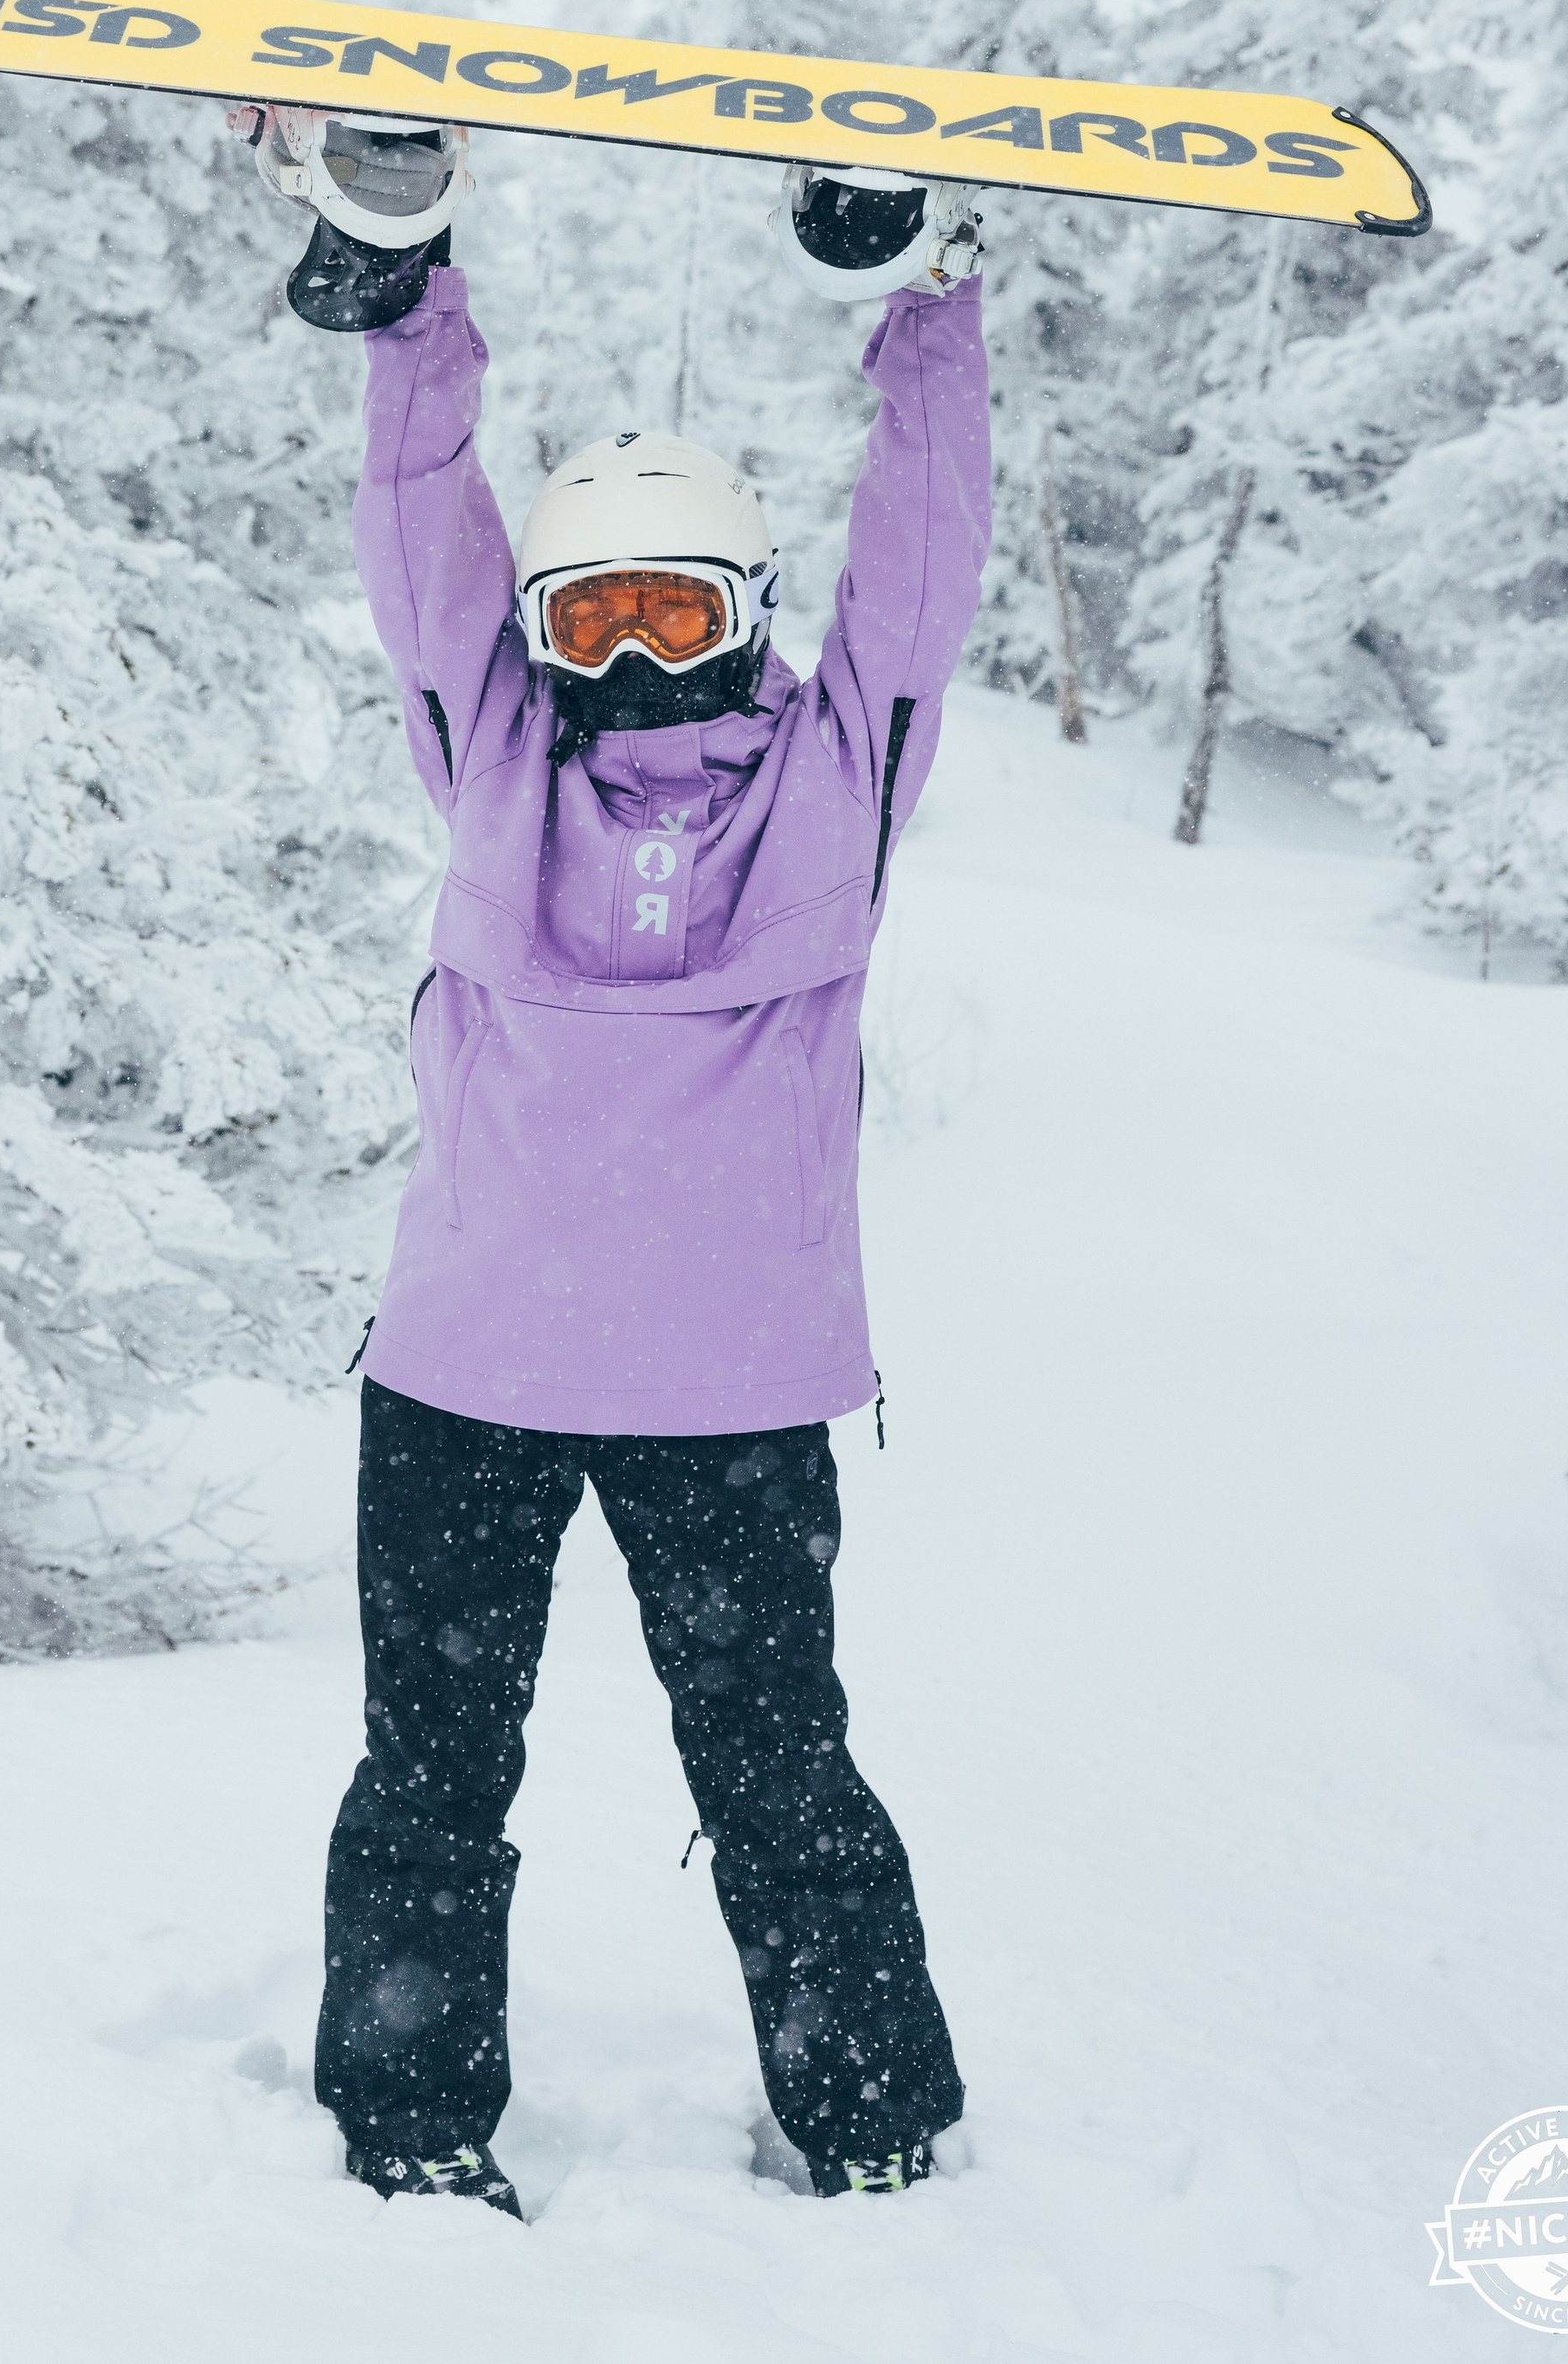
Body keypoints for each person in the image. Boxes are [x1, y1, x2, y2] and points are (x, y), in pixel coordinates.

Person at [249, 110, 993, 2219]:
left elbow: (919, 577)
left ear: (748, 612)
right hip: (506, 1377)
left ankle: (862, 2120)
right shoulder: (501, 756)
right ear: (551, 634)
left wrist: (924, 309)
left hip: (702, 1394)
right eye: (596, 616)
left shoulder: (825, 781)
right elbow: (431, 558)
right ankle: (412, 2124)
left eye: (679, 610)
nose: (637, 658)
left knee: (766, 1773)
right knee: (437, 1770)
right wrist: (410, 303)